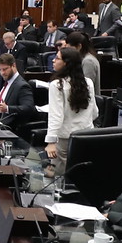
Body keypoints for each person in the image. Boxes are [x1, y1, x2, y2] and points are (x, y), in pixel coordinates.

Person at [42, 46, 95, 177]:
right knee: (80, 176)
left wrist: (51, 142)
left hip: (65, 140)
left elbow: (56, 116)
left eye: (57, 58)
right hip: (87, 136)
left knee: (59, 179)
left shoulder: (57, 85)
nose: (53, 60)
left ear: (66, 63)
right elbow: (94, 113)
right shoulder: (88, 82)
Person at [0, 52, 36, 139]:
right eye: (0, 70)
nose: (2, 73)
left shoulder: (22, 85)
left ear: (13, 65)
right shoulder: (6, 82)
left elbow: (29, 108)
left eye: (5, 69)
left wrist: (7, 108)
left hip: (10, 133)